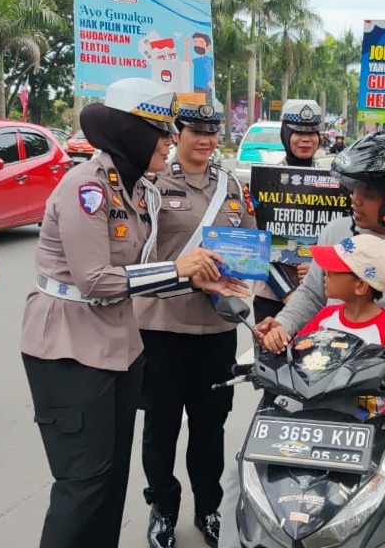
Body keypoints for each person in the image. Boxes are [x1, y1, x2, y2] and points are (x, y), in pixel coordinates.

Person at [221, 131, 385, 548]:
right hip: (323, 383)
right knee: (243, 474)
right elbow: (310, 293)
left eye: (370, 191)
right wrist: (283, 325)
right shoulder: (339, 230)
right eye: (355, 187)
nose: (355, 198)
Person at [20, 77, 248, 548]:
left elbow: (143, 270)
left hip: (120, 346)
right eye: (163, 132)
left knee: (110, 480)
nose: (170, 141)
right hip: (71, 346)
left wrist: (192, 277)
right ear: (132, 134)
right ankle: (162, 506)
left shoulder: (139, 192)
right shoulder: (88, 187)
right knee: (84, 483)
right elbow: (96, 281)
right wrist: (181, 268)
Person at [134, 95, 255, 548]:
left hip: (216, 328)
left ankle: (210, 509)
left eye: (211, 132)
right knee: (160, 427)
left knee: (210, 427)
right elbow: (138, 253)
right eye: (195, 131)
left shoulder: (232, 187)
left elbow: (246, 246)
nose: (205, 140)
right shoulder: (151, 184)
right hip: (162, 325)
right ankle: (162, 507)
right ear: (176, 135)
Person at [261, 233, 385, 419]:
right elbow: (297, 355)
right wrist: (276, 340)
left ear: (360, 286)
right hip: (315, 418)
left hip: (364, 432)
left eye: (333, 269)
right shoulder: (325, 317)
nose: (324, 273)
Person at [252, 98, 322, 323]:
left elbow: (342, 241)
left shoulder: (335, 184)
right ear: (285, 134)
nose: (305, 139)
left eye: (312, 133)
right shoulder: (265, 182)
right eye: (297, 132)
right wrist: (287, 292)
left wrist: (317, 268)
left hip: (319, 294)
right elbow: (257, 242)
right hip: (271, 296)